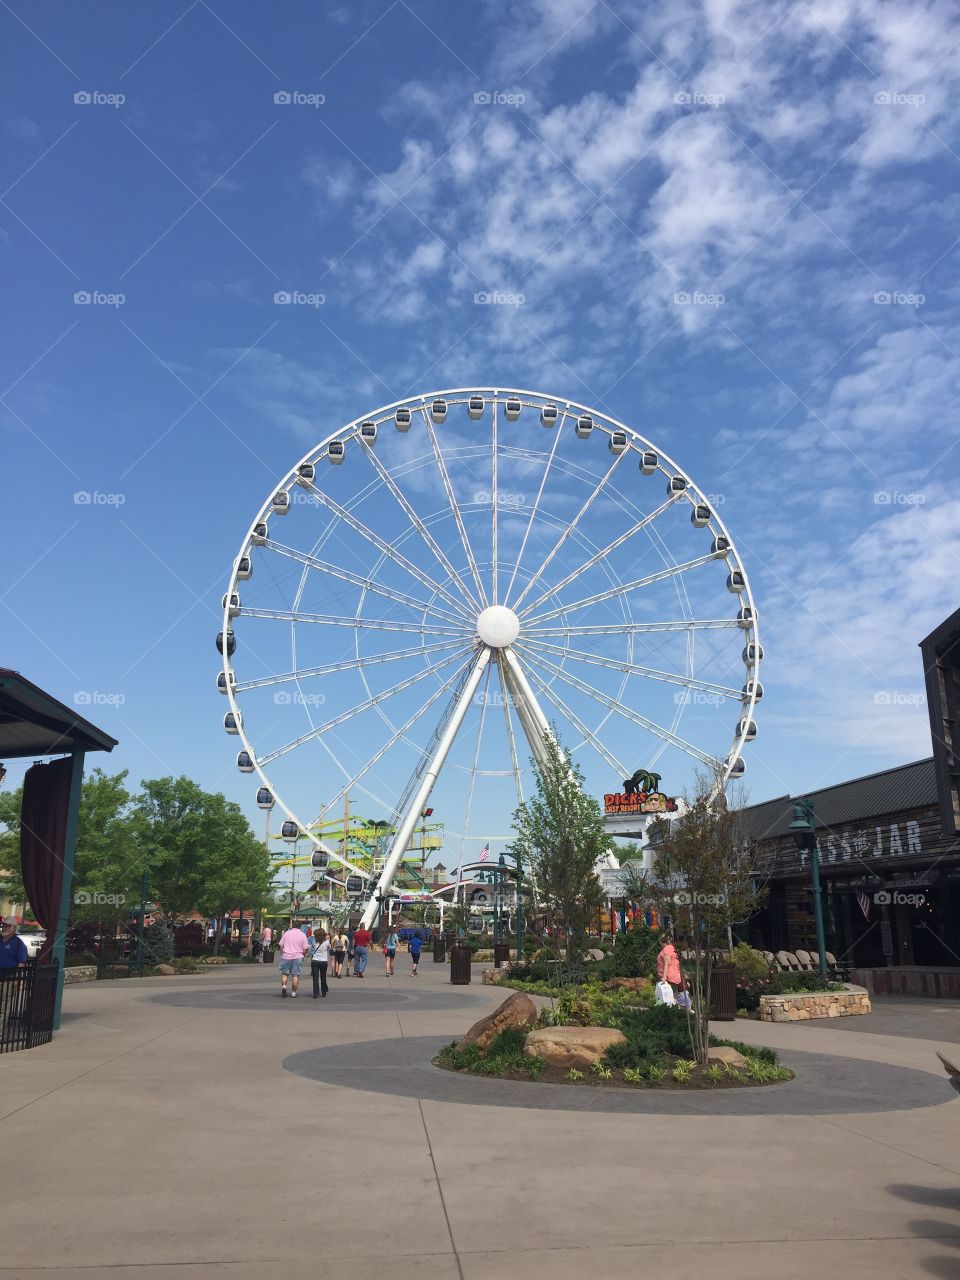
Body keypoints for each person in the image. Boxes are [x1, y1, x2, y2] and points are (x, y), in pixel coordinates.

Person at [277, 923, 310, 997]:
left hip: (286, 956)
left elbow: (281, 946)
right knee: (295, 975)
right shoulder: (302, 935)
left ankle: (284, 986)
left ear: (292, 926)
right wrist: (302, 956)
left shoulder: (286, 934)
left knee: (284, 973)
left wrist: (282, 954)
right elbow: (305, 949)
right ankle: (293, 993)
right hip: (297, 956)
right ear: (300, 927)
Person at [310, 929, 330, 998]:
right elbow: (329, 948)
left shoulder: (314, 942)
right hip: (324, 961)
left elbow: (312, 949)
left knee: (315, 978)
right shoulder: (327, 942)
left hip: (315, 961)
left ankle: (315, 993)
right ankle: (323, 992)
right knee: (323, 977)